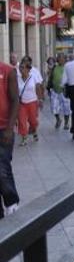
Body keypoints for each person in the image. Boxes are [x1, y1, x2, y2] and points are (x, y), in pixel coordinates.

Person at [0, 56, 19, 217]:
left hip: (3, 129)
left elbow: (15, 100)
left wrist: (9, 128)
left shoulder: (8, 71)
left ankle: (12, 202)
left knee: (2, 167)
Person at [16, 56, 43, 145]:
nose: (21, 69)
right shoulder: (17, 78)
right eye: (20, 67)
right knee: (22, 120)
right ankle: (24, 138)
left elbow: (38, 88)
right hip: (22, 103)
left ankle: (34, 130)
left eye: (23, 67)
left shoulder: (33, 76)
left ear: (28, 69)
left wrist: (40, 99)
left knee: (33, 121)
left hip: (32, 102)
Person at [49, 54, 71, 130]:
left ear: (65, 59)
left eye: (62, 59)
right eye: (59, 59)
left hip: (65, 91)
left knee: (66, 108)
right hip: (55, 90)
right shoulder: (54, 67)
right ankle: (58, 119)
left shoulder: (67, 67)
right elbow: (51, 77)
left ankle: (66, 123)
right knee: (54, 107)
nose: (60, 60)